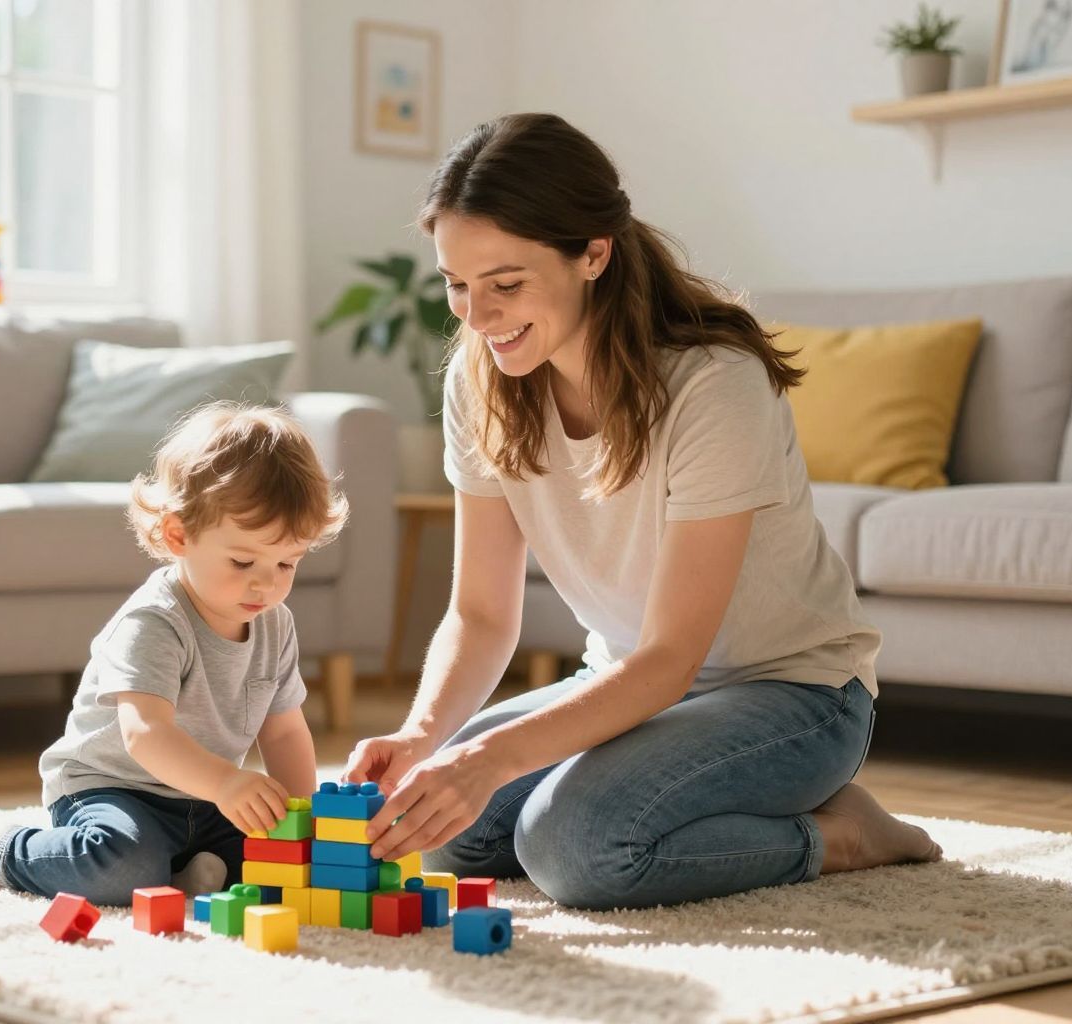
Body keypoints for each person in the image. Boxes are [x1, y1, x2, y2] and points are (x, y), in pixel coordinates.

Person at [343, 113, 941, 910]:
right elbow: (482, 613)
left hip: (795, 694)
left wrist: (491, 759)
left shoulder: (712, 384)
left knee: (575, 846)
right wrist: (423, 738)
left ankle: (841, 835)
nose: (478, 318)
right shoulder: (477, 384)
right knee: (446, 825)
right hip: (629, 683)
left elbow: (670, 660)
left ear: (594, 252)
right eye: (457, 284)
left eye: (507, 284)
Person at [0, 402, 348, 903]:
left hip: (204, 798)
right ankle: (6, 851)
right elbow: (145, 733)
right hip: (113, 792)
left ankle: (184, 870)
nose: (266, 583)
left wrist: (302, 825)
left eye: (287, 564)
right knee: (122, 863)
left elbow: (283, 731)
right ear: (178, 535)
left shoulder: (274, 623)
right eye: (243, 560)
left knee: (274, 867)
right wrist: (227, 784)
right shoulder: (154, 620)